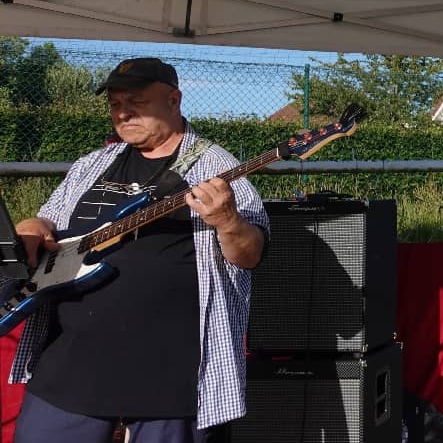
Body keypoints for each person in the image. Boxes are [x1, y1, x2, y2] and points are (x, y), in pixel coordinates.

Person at [9, 57, 269, 443]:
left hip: (168, 379)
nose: (123, 112)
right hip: (69, 368)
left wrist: (229, 222)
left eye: (136, 101)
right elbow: (48, 220)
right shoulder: (93, 164)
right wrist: (32, 227)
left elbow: (250, 255)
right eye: (115, 104)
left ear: (174, 99)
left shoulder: (216, 166)